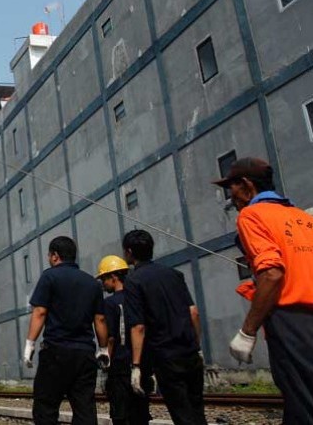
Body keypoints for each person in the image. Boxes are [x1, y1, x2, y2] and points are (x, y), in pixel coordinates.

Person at [214, 157, 313, 423]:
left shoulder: (251, 215)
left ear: (246, 185)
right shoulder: (302, 217)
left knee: (303, 402)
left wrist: (247, 331)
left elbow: (272, 272)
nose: (230, 197)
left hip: (292, 322)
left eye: (231, 188)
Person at [22, 236, 110, 425]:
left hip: (56, 352)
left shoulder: (49, 276)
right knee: (85, 407)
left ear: (55, 256)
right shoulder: (92, 283)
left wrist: (30, 343)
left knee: (46, 407)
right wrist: (103, 349)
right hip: (85, 354)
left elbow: (40, 312)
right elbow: (100, 319)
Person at [123, 230, 206, 425]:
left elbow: (138, 327)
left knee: (182, 415)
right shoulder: (174, 274)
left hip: (165, 356)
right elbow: (193, 312)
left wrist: (136, 366)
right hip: (190, 352)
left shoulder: (134, 281)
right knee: (197, 410)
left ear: (129, 252)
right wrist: (197, 346)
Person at [97, 255, 151, 425]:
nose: (103, 284)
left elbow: (111, 337)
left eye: (104, 279)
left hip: (119, 366)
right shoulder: (138, 298)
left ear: (114, 277)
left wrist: (106, 367)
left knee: (120, 416)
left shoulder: (110, 303)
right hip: (140, 363)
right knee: (141, 414)